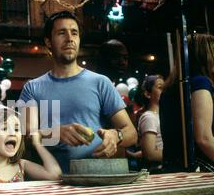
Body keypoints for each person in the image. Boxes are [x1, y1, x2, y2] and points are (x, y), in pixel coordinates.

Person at [18, 10, 137, 173]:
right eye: (61, 33)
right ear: (48, 41)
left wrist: (116, 135)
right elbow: (25, 137)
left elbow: (131, 132)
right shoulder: (32, 88)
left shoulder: (101, 82)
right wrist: (54, 133)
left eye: (74, 33)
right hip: (51, 182)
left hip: (97, 178)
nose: (69, 39)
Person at [0, 108, 61, 183]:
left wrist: (37, 143)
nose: (13, 133)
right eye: (4, 128)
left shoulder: (21, 164)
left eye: (16, 129)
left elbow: (54, 175)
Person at [188, 34, 214, 172]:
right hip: (196, 168)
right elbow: (203, 138)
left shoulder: (185, 82)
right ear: (203, 55)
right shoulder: (201, 81)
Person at [136, 75, 164, 172]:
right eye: (160, 87)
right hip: (159, 172)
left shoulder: (161, 116)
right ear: (148, 94)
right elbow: (149, 154)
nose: (164, 90)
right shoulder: (149, 117)